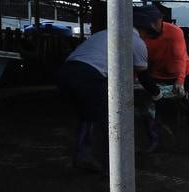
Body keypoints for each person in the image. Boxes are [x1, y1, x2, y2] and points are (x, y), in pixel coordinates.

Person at [57, 18, 150, 171]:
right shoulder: (136, 41)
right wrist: (156, 93)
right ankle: (112, 167)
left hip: (66, 72)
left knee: (87, 117)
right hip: (89, 76)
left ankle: (83, 155)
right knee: (109, 119)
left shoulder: (104, 34)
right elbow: (143, 74)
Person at [133, 5, 189, 156]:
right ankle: (155, 141)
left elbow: (180, 57)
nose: (150, 27)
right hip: (155, 73)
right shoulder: (140, 35)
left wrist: (180, 82)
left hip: (183, 72)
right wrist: (137, 79)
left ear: (160, 20)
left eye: (153, 22)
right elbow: (137, 58)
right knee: (148, 109)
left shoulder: (174, 32)